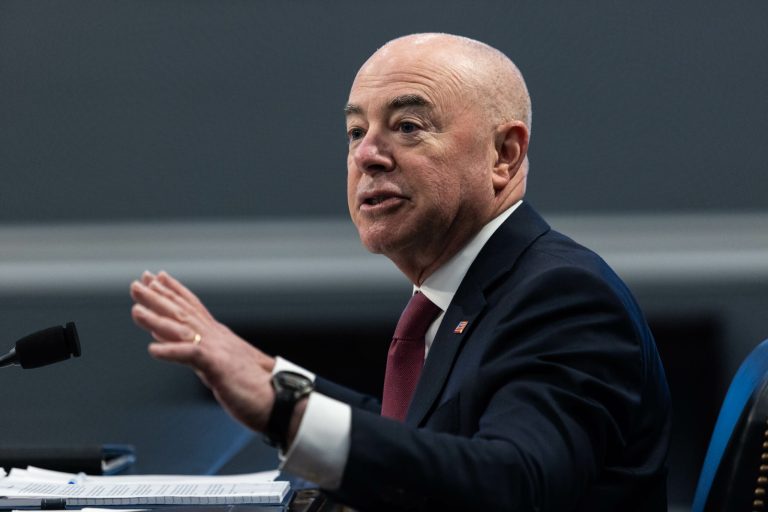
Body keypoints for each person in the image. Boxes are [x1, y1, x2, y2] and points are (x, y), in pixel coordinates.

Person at [130, 33, 671, 511]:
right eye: (354, 131)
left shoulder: (564, 297)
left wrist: (285, 410)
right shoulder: (474, 289)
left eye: (408, 126)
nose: (367, 154)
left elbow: (514, 483)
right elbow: (421, 436)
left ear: (503, 154)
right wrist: (269, 375)